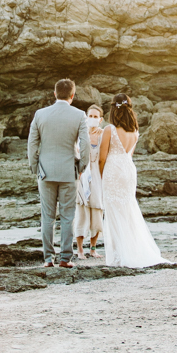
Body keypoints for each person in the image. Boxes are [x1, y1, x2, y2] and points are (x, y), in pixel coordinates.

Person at [27, 79, 90, 268]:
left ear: (54, 94)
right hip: (68, 172)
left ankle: (47, 259)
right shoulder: (79, 115)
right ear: (72, 95)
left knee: (47, 216)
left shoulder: (40, 114)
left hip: (45, 172)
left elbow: (32, 144)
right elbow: (85, 145)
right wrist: (82, 167)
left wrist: (35, 167)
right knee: (67, 216)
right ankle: (65, 258)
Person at [99, 93, 163, 268]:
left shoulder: (109, 130)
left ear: (113, 109)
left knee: (113, 210)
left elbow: (101, 158)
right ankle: (131, 251)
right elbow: (129, 154)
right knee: (127, 210)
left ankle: (120, 255)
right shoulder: (135, 131)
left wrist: (101, 176)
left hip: (113, 170)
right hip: (128, 169)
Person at [75, 105, 104, 259]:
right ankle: (80, 250)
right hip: (81, 175)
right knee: (81, 210)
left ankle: (93, 248)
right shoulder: (80, 134)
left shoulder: (103, 135)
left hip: (97, 176)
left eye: (95, 116)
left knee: (97, 210)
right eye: (90, 116)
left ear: (101, 119)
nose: (92, 119)